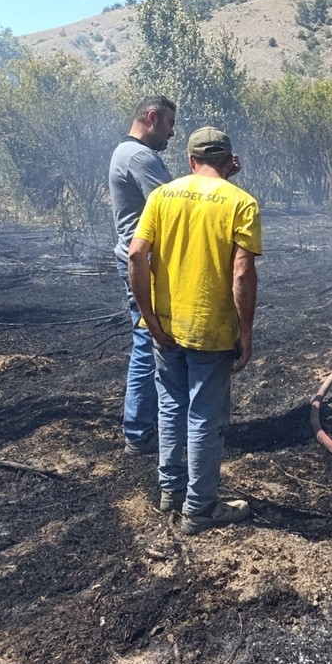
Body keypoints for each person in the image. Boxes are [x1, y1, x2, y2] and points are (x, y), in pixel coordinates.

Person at [128, 127, 262, 535]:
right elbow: (242, 273)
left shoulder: (162, 195)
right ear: (228, 160)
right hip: (209, 328)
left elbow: (136, 254)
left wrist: (149, 318)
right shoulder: (242, 203)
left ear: (190, 160)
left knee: (170, 406)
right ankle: (200, 508)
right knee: (205, 415)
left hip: (166, 326)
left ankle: (170, 491)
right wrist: (246, 331)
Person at [108, 95, 176, 456]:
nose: (171, 135)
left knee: (148, 340)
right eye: (168, 125)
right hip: (142, 263)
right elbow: (175, 206)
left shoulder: (128, 153)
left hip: (138, 259)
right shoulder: (139, 157)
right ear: (152, 118)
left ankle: (146, 424)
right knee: (149, 343)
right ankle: (138, 432)